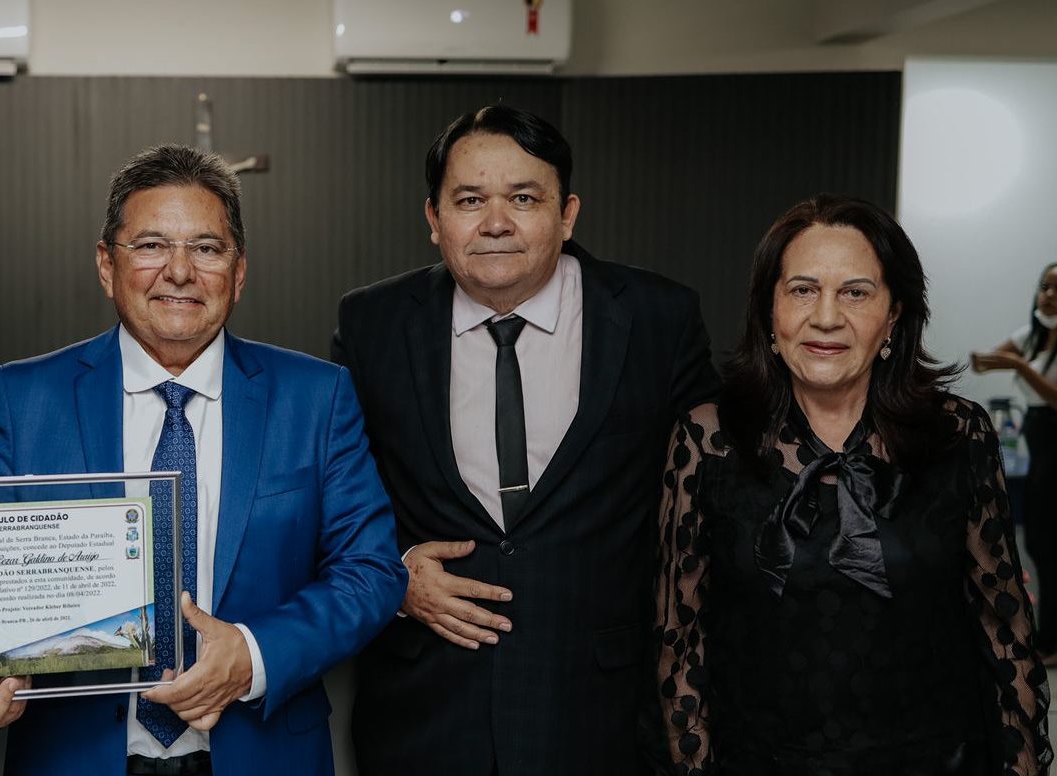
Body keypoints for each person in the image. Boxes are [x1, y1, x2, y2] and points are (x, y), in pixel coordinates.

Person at [0, 144, 407, 775]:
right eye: (151, 245)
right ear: (107, 265)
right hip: (76, 756)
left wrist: (253, 654)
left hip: (263, 753)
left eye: (207, 248)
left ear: (238, 272)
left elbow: (372, 570)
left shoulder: (316, 397)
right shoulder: (29, 397)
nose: (179, 271)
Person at [334, 104, 719, 775]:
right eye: (469, 200)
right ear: (433, 219)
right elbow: (333, 494)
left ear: (567, 214)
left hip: (595, 710)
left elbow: (710, 500)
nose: (495, 223)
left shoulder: (658, 318)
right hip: (424, 712)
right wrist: (394, 573)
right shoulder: (373, 322)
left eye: (523, 198)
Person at [653, 195, 1052, 774]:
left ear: (893, 317)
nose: (826, 317)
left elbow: (1004, 629)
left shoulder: (957, 434)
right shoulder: (707, 440)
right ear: (769, 311)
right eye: (803, 289)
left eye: (856, 293)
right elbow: (680, 640)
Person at [973, 261, 1057, 664]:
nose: (1049, 295)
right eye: (1045, 286)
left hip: (1055, 436)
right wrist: (989, 358)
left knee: (1049, 543)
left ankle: (1051, 641)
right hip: (1040, 438)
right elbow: (982, 361)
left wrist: (1019, 364)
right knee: (1039, 542)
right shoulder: (1032, 336)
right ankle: (1047, 636)